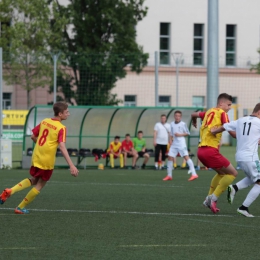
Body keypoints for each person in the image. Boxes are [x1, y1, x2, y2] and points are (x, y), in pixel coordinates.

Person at [0, 102, 79, 214]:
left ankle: (9, 191)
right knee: (40, 184)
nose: (69, 114)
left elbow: (33, 136)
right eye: (67, 112)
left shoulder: (45, 121)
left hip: (36, 156)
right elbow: (62, 146)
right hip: (47, 160)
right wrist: (71, 165)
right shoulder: (61, 128)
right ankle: (20, 207)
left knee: (34, 180)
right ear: (60, 114)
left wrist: (43, 145)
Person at [191, 93, 238, 214]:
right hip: (210, 151)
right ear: (221, 103)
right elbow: (231, 132)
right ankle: (213, 199)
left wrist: (194, 121)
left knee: (222, 173)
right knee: (233, 173)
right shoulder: (223, 114)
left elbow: (193, 114)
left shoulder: (208, 112)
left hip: (201, 151)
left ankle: (208, 199)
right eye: (228, 105)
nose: (229, 108)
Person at [211, 103, 260, 217]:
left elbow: (225, 126)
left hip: (240, 156)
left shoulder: (241, 120)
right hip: (251, 157)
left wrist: (214, 131)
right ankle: (244, 207)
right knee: (259, 182)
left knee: (252, 178)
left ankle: (234, 188)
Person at [163, 110, 198, 181]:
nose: (177, 117)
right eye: (176, 116)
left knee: (186, 157)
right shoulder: (172, 124)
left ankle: (194, 174)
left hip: (181, 144)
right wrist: (170, 140)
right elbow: (171, 133)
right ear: (174, 116)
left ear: (180, 117)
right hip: (174, 144)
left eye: (179, 116)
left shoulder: (183, 124)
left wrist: (179, 135)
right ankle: (169, 175)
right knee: (170, 157)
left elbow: (188, 133)